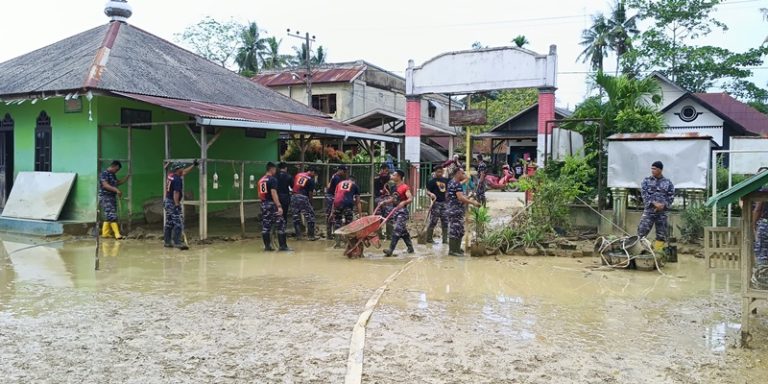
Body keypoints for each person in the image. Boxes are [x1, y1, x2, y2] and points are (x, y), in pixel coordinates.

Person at [637, 161, 675, 250]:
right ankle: (639, 251)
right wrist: (654, 203)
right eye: (652, 169)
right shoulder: (646, 181)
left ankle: (657, 254)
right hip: (649, 212)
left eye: (654, 169)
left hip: (662, 213)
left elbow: (671, 196)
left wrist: (664, 205)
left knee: (661, 235)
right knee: (641, 232)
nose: (652, 170)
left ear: (660, 170)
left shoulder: (668, 182)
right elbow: (644, 194)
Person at [446, 168, 481, 256]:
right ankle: (453, 251)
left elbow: (459, 197)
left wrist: (468, 197)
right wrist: (473, 202)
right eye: (462, 173)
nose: (464, 175)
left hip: (454, 209)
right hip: (455, 210)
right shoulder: (456, 184)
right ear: (458, 173)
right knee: (455, 230)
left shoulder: (451, 182)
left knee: (459, 230)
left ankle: (457, 249)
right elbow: (460, 198)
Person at [164, 161, 197, 250]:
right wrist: (177, 205)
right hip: (172, 202)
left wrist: (193, 165)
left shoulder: (171, 175)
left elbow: (184, 172)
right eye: (182, 167)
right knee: (178, 222)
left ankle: (167, 242)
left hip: (167, 201)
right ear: (178, 169)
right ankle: (177, 242)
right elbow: (176, 193)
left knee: (169, 222)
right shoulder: (177, 180)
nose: (183, 169)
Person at [259, 162, 290, 252]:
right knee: (281, 224)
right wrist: (279, 206)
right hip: (272, 204)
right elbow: (274, 193)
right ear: (272, 169)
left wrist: (263, 204)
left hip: (264, 204)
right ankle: (283, 246)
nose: (275, 171)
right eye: (275, 169)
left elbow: (260, 194)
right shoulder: (272, 179)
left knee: (266, 226)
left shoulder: (261, 180)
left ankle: (267, 247)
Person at [383, 169, 415, 256]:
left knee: (397, 229)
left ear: (399, 177)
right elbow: (393, 199)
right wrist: (385, 202)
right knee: (403, 231)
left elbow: (410, 198)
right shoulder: (393, 187)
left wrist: (404, 202)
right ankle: (410, 248)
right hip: (395, 212)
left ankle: (390, 249)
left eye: (394, 175)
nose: (392, 176)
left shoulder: (405, 187)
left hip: (402, 212)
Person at [99, 160, 130, 240]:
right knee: (112, 215)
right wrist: (116, 190)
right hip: (105, 196)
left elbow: (117, 183)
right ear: (113, 166)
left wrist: (126, 178)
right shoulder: (104, 174)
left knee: (109, 215)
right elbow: (105, 185)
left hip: (111, 197)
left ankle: (105, 233)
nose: (116, 171)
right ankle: (117, 234)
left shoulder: (112, 175)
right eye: (116, 169)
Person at [332, 176, 362, 247]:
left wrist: (332, 212)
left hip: (337, 203)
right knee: (348, 223)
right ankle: (348, 243)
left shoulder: (339, 184)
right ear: (353, 181)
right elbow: (358, 202)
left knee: (337, 222)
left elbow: (335, 197)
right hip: (347, 204)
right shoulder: (354, 185)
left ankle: (337, 243)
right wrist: (360, 215)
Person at [425, 165, 449, 244]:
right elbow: (427, 191)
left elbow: (448, 189)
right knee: (433, 221)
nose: (440, 173)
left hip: (444, 203)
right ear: (435, 172)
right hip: (436, 203)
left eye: (441, 171)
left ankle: (445, 240)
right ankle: (429, 239)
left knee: (445, 221)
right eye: (438, 172)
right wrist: (431, 194)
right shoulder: (432, 181)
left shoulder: (446, 180)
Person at [291, 167, 317, 241]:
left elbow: (294, 185)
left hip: (294, 196)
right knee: (310, 216)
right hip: (303, 197)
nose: (314, 176)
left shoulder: (298, 175)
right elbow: (310, 194)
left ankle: (298, 236)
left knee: (296, 217)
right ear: (312, 172)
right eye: (314, 174)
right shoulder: (310, 179)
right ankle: (311, 236)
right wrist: (311, 203)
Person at [325, 165, 348, 238]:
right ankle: (330, 234)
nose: (345, 173)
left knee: (331, 215)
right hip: (331, 197)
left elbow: (328, 186)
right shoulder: (337, 178)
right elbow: (338, 191)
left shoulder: (334, 176)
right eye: (344, 171)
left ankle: (331, 233)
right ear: (340, 170)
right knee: (331, 215)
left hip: (330, 196)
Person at [752, 167, 768, 267]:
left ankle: (761, 279)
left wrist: (754, 224)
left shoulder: (764, 190)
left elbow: (757, 210)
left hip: (765, 224)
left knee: (762, 254)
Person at [374, 164, 393, 238]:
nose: (386, 172)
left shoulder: (388, 178)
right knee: (379, 217)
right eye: (385, 170)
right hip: (379, 198)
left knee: (389, 216)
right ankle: (379, 234)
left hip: (387, 199)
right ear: (382, 169)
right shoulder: (377, 177)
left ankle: (389, 235)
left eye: (387, 171)